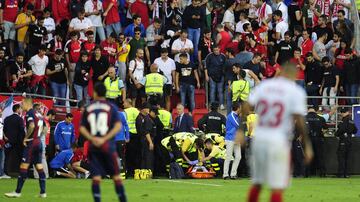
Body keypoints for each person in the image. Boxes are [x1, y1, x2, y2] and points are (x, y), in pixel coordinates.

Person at [246, 63, 313, 202]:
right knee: (277, 186)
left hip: (259, 139)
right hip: (278, 141)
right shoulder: (295, 91)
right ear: (294, 76)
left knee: (257, 183)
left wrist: (241, 131)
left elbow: (247, 106)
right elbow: (300, 120)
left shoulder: (265, 86)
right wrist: (307, 145)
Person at [79, 82, 126, 202]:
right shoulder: (111, 107)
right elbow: (118, 126)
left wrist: (92, 138)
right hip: (108, 146)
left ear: (95, 93)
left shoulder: (88, 108)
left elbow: (82, 128)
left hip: (94, 148)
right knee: (116, 177)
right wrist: (104, 138)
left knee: (96, 178)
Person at [5, 98, 48, 198]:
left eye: (22, 104)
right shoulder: (39, 114)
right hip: (38, 143)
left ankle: (17, 192)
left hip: (32, 143)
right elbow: (45, 128)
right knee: (39, 166)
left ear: (27, 103)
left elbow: (32, 126)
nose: (21, 106)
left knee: (23, 166)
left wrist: (26, 138)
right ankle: (43, 192)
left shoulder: (30, 113)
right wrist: (39, 137)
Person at [2, 104, 25, 177]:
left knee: (6, 157)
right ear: (17, 109)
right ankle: (21, 173)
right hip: (18, 142)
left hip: (8, 141)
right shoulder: (19, 119)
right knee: (21, 157)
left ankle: (4, 173)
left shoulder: (7, 119)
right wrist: (23, 140)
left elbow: (4, 130)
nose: (21, 110)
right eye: (20, 108)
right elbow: (22, 131)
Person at [335, 107, 358, 178]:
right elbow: (355, 130)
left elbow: (341, 129)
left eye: (342, 112)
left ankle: (341, 174)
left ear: (345, 113)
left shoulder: (344, 120)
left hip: (343, 140)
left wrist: (336, 134)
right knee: (348, 158)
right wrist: (349, 132)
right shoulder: (351, 120)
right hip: (350, 140)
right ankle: (347, 174)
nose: (342, 114)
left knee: (341, 157)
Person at [306, 106, 327, 177]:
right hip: (318, 139)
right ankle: (322, 173)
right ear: (315, 111)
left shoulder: (304, 118)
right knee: (320, 156)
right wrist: (321, 133)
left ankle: (307, 173)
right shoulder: (321, 118)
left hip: (308, 139)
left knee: (308, 156)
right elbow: (325, 129)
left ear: (307, 110)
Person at [223, 102, 242, 180]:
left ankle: (233, 174)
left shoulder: (235, 116)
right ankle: (225, 174)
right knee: (228, 156)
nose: (241, 109)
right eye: (240, 108)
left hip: (236, 138)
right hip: (230, 138)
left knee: (238, 156)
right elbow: (238, 125)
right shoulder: (231, 116)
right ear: (237, 108)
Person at [135, 102, 155, 179]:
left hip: (144, 139)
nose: (148, 110)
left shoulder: (144, 117)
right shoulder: (140, 118)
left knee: (145, 157)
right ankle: (146, 173)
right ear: (144, 109)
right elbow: (143, 131)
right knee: (146, 157)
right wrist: (149, 141)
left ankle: (145, 173)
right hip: (143, 139)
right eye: (147, 108)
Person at [205, 45, 226, 109]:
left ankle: (221, 104)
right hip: (212, 76)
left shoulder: (223, 56)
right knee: (212, 91)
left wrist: (224, 76)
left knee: (220, 91)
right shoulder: (209, 56)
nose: (216, 51)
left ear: (219, 49)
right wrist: (206, 75)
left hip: (221, 76)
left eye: (217, 50)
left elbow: (225, 67)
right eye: (214, 50)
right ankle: (212, 105)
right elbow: (205, 67)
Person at [123, 99, 140, 177]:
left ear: (128, 103)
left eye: (124, 103)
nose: (123, 104)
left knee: (128, 154)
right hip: (136, 134)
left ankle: (129, 171)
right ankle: (135, 171)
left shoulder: (125, 112)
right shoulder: (137, 110)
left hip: (128, 135)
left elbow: (124, 124)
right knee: (136, 153)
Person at [115, 111, 129, 180]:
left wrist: (127, 136)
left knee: (121, 157)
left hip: (119, 139)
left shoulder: (120, 114)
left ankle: (123, 174)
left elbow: (126, 125)